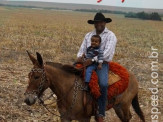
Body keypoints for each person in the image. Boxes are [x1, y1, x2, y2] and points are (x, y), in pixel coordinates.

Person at [77, 12, 117, 122]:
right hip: (87, 61)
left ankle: (100, 112)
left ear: (105, 22)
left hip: (101, 63)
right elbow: (81, 50)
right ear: (94, 24)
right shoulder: (88, 35)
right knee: (70, 73)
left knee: (103, 84)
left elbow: (107, 53)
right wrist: (80, 57)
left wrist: (93, 60)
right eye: (96, 22)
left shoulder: (110, 35)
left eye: (101, 22)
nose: (99, 24)